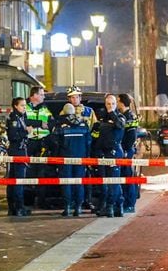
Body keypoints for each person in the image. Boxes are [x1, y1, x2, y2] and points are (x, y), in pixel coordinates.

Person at [57, 88, 94, 217]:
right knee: (78, 181)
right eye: (72, 97)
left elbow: (57, 140)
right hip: (80, 155)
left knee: (69, 182)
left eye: (77, 97)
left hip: (68, 156)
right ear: (69, 99)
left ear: (80, 98)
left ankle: (70, 206)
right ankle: (77, 206)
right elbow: (89, 140)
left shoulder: (88, 112)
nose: (75, 99)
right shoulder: (81, 124)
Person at [91, 93, 125, 218]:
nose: (110, 106)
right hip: (102, 153)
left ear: (116, 105)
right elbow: (94, 136)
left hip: (114, 153)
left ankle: (113, 206)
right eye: (108, 104)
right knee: (104, 182)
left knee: (114, 182)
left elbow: (120, 125)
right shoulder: (101, 118)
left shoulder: (119, 117)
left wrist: (112, 114)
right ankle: (108, 205)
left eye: (113, 104)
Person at [25, 86, 54, 209]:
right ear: (35, 95)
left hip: (42, 144)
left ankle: (41, 201)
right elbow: (23, 121)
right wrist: (40, 124)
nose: (43, 97)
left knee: (42, 173)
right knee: (27, 172)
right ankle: (27, 200)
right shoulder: (24, 107)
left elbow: (51, 123)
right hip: (28, 144)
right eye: (41, 94)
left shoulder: (44, 108)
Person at [5, 97, 31, 217]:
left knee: (14, 180)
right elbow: (13, 136)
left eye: (25, 105)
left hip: (18, 150)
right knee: (18, 180)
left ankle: (13, 207)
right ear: (15, 106)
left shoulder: (21, 117)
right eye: (22, 105)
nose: (24, 108)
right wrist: (26, 132)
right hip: (17, 151)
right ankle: (18, 207)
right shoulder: (14, 118)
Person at [117, 93, 140, 213]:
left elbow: (131, 136)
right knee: (123, 178)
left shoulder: (129, 117)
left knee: (127, 178)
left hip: (126, 151)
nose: (116, 104)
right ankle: (124, 203)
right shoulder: (122, 115)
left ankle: (130, 204)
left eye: (117, 101)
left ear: (122, 102)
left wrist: (126, 151)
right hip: (122, 150)